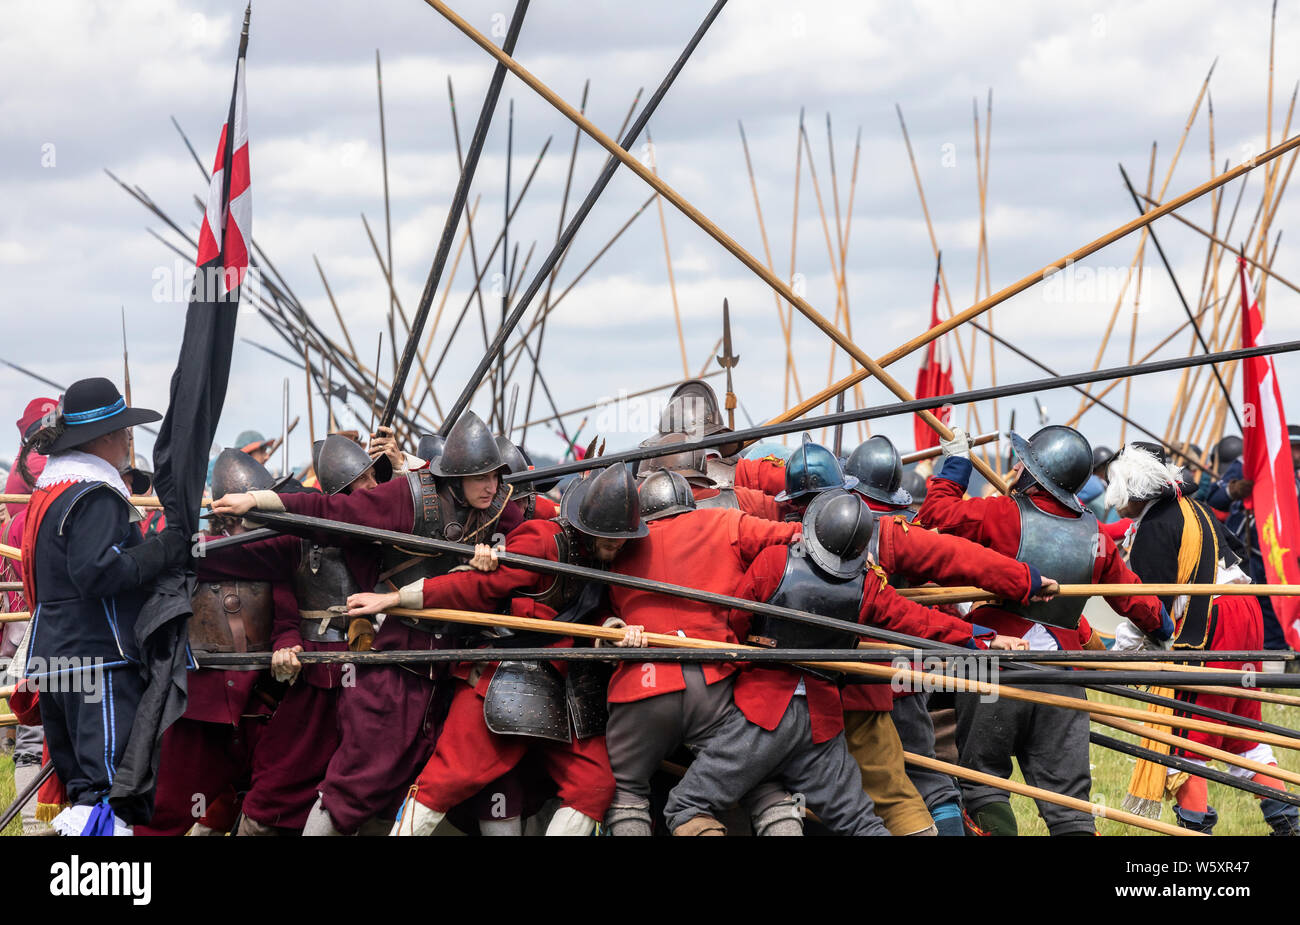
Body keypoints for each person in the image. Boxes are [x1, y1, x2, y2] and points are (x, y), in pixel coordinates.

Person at [210, 411, 524, 835]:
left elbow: (532, 540)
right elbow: (325, 512)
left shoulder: (497, 506)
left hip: (457, 662)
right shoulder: (402, 501)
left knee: (483, 770)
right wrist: (261, 504)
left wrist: (498, 556)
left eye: (496, 477)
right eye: (482, 477)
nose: (492, 486)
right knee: (348, 781)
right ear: (457, 476)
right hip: (390, 664)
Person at [346, 463, 644, 836]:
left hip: (564, 685)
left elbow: (592, 613)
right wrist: (395, 598)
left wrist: (611, 629)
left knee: (594, 784)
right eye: (610, 536)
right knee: (444, 781)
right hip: (505, 674)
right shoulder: (542, 540)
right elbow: (474, 587)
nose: (618, 544)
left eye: (622, 537)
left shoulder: (603, 556)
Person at [916, 424, 1168, 836]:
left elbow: (935, 516)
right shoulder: (1095, 535)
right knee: (1069, 805)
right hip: (1060, 675)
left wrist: (957, 463)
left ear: (1032, 473)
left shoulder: (1000, 513)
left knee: (982, 784)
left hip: (992, 666)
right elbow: (1133, 596)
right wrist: (1162, 626)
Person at [843, 434, 1054, 836]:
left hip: (834, 680)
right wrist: (1021, 584)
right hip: (903, 675)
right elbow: (956, 553)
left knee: (841, 788)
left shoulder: (810, 527)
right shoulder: (901, 529)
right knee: (930, 783)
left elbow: (953, 553)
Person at [18, 378, 188, 835]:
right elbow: (97, 572)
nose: (128, 442)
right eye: (123, 432)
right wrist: (166, 549)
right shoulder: (94, 492)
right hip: (100, 657)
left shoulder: (53, 491)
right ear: (107, 437)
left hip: (59, 657)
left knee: (86, 791)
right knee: (108, 791)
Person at [1106, 443, 1297, 835]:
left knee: (1182, 739)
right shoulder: (1193, 510)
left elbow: (1151, 608)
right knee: (1244, 735)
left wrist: (1119, 649)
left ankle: (1195, 831)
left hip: (1210, 623)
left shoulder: (1156, 526)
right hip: (1243, 614)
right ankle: (1290, 825)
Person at [599, 469, 803, 835]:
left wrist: (609, 627)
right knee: (764, 786)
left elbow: (588, 602)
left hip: (642, 692)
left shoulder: (619, 544)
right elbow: (796, 538)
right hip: (714, 687)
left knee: (626, 795)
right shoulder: (724, 522)